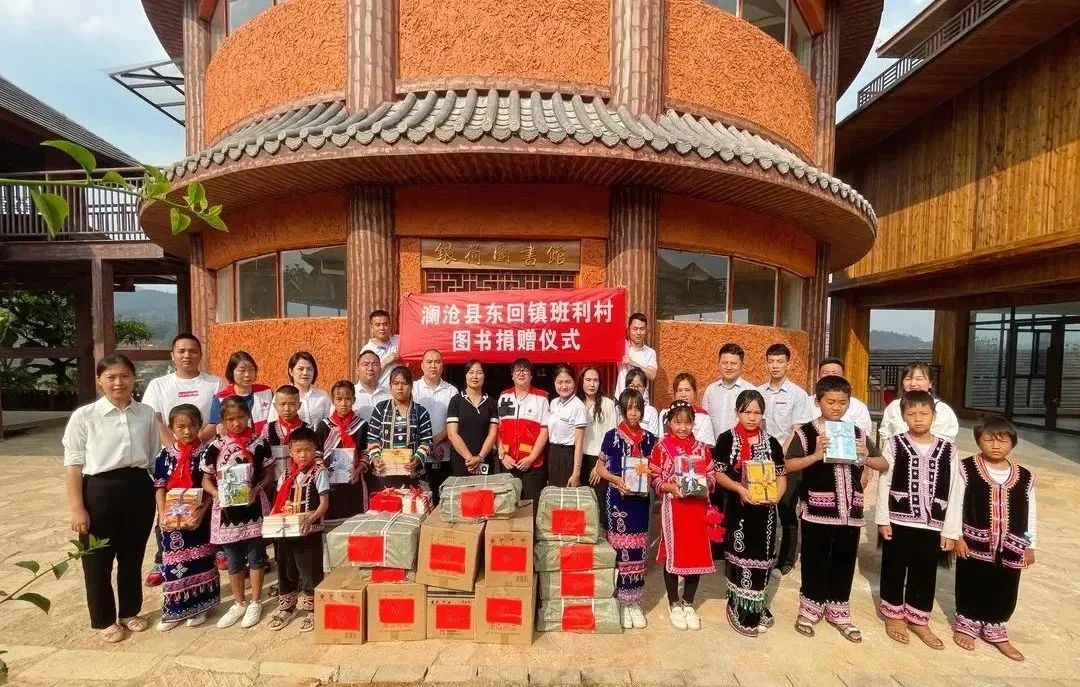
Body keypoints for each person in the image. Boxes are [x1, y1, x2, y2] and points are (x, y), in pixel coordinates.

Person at [785, 375, 887, 643]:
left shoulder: (856, 432)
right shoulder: (807, 432)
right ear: (818, 402)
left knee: (844, 560)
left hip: (850, 512)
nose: (836, 407)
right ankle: (809, 609)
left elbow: (883, 464)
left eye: (842, 402)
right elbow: (789, 464)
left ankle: (839, 611)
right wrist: (815, 456)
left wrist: (865, 456)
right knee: (814, 559)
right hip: (818, 509)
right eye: (830, 402)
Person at [63, 354, 157, 643]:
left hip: (138, 489)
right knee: (97, 561)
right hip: (99, 491)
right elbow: (73, 465)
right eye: (111, 377)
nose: (119, 382)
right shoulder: (84, 416)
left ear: (133, 378)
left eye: (125, 376)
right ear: (99, 381)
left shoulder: (146, 414)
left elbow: (154, 458)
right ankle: (104, 619)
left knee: (132, 556)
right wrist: (77, 508)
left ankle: (129, 612)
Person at [945, 415, 1036, 662]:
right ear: (978, 441)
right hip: (974, 541)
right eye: (989, 440)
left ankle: (996, 625)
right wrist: (956, 536)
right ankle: (967, 623)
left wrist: (1030, 544)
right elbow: (956, 503)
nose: (996, 446)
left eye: (1002, 440)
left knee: (1006, 584)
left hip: (1013, 544)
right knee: (971, 581)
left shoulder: (1025, 477)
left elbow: (1030, 512)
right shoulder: (966, 468)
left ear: (1012, 443)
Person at [876, 390, 960, 649]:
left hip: (933, 523)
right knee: (893, 567)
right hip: (899, 519)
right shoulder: (894, 444)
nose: (918, 418)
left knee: (925, 571)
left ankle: (918, 618)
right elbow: (884, 482)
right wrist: (882, 519)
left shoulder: (948, 449)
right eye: (911, 413)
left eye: (924, 413)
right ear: (903, 416)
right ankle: (893, 615)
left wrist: (951, 530)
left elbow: (955, 489)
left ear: (934, 415)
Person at [139, 333, 223, 587]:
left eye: (193, 350)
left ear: (200, 354)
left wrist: (196, 444)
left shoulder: (214, 383)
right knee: (168, 505)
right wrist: (175, 448)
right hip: (172, 456)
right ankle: (162, 558)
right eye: (182, 351)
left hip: (205, 452)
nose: (187, 355)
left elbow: (215, 419)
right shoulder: (159, 385)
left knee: (206, 503)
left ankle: (214, 551)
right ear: (172, 355)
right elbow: (155, 419)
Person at [713, 390, 787, 637]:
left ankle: (757, 602)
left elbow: (781, 476)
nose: (752, 417)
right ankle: (739, 604)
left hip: (766, 513)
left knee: (763, 558)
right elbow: (718, 473)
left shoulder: (772, 443)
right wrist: (739, 488)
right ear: (737, 412)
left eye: (757, 412)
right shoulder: (727, 439)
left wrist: (777, 495)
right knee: (740, 556)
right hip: (739, 508)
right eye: (747, 412)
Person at [201, 395, 275, 629]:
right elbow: (206, 479)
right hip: (226, 514)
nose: (236, 423)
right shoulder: (215, 446)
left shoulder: (259, 443)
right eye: (230, 419)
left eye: (241, 417)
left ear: (248, 417)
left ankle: (255, 601)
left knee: (256, 557)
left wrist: (257, 488)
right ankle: (238, 603)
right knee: (233, 560)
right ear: (222, 421)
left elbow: (269, 473)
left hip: (253, 509)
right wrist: (215, 492)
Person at [594, 388, 657, 630]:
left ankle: (635, 602)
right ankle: (621, 601)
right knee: (620, 551)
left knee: (638, 550)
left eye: (637, 408)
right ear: (621, 410)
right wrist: (616, 479)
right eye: (629, 408)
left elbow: (656, 469)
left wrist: (651, 475)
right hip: (618, 501)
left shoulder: (650, 439)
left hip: (640, 501)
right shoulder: (611, 436)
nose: (633, 413)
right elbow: (600, 468)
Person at [152, 404, 219, 631]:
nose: (187, 431)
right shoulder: (164, 455)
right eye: (180, 427)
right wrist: (163, 513)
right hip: (171, 517)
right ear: (171, 428)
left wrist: (202, 511)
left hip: (200, 516)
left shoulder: (209, 452)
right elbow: (160, 486)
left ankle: (200, 606)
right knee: (173, 563)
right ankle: (175, 608)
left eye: (192, 426)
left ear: (200, 426)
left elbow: (211, 485)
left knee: (201, 560)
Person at [651, 400, 717, 631]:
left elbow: (711, 474)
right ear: (669, 423)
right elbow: (654, 477)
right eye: (678, 423)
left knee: (695, 554)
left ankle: (688, 602)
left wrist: (706, 485)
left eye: (687, 423)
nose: (682, 428)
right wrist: (669, 487)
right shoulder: (661, 448)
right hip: (674, 507)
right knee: (673, 553)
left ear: (693, 423)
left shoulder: (702, 448)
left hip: (697, 508)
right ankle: (673, 603)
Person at [267, 426, 329, 633]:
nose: (303, 455)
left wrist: (310, 518)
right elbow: (278, 503)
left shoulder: (319, 472)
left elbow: (324, 504)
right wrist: (272, 521)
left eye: (308, 450)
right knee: (286, 569)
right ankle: (287, 607)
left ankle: (312, 609)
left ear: (315, 449)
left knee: (310, 570)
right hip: (286, 532)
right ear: (290, 451)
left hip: (309, 531)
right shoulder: (286, 474)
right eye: (298, 451)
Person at [762, 343, 814, 576]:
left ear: (788, 364)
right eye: (771, 361)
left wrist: (780, 453)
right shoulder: (760, 391)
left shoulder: (798, 394)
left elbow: (797, 429)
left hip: (788, 461)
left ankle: (786, 560)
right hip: (762, 461)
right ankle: (765, 554)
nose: (775, 366)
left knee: (786, 508)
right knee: (764, 507)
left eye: (780, 361)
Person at [368, 366, 433, 491]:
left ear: (411, 386)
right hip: (385, 474)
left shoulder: (420, 411)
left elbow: (427, 441)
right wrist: (375, 458)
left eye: (404, 383)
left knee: (411, 502)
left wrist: (417, 458)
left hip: (412, 475)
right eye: (396, 383)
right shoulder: (380, 409)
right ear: (390, 386)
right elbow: (372, 438)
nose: (400, 387)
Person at [497, 358, 550, 502]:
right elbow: (498, 429)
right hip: (508, 462)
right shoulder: (504, 397)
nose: (521, 373)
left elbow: (544, 431)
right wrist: (502, 455)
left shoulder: (541, 398)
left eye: (525, 370)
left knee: (531, 506)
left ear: (531, 375)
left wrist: (531, 458)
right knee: (508, 505)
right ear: (512, 375)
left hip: (533, 464)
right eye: (517, 370)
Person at [315, 380, 369, 523]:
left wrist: (359, 469)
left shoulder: (361, 425)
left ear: (354, 400)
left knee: (355, 522)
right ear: (332, 400)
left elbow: (366, 452)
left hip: (355, 482)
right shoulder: (324, 426)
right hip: (330, 484)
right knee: (331, 522)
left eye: (348, 399)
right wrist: (323, 471)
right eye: (339, 399)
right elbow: (317, 454)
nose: (343, 403)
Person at [412, 349, 457, 503]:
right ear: (422, 365)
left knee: (443, 500)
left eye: (437, 362)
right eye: (429, 362)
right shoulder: (413, 389)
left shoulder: (451, 391)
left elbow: (453, 423)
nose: (433, 366)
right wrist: (429, 447)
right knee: (420, 502)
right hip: (418, 457)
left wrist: (433, 442)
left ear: (442, 366)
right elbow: (411, 422)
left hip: (444, 455)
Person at [878, 362, 960, 444]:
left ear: (930, 383)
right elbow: (885, 433)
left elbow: (946, 439)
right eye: (908, 379)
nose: (913, 384)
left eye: (919, 379)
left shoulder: (941, 409)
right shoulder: (894, 406)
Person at [446, 360, 500, 477]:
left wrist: (480, 457)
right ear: (465, 375)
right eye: (471, 372)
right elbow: (452, 434)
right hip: (462, 461)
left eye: (479, 373)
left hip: (485, 460)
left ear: (484, 376)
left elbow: (492, 433)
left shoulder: (491, 402)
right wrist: (469, 458)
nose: (475, 376)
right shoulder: (456, 401)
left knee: (485, 489)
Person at [209, 351, 274, 436]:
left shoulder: (266, 392)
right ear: (231, 372)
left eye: (251, 369)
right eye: (242, 370)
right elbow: (216, 426)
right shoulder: (221, 398)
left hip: (263, 442)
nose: (247, 374)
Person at [544, 364, 588, 488]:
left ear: (574, 383)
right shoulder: (553, 403)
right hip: (553, 453)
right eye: (560, 382)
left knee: (568, 495)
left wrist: (576, 473)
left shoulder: (578, 406)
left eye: (568, 382)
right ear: (554, 383)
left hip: (569, 456)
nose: (564, 386)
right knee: (554, 492)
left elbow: (579, 443)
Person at [579, 365, 617, 499]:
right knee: (582, 502)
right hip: (580, 459)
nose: (592, 384)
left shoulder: (607, 404)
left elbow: (612, 435)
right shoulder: (577, 404)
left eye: (595, 380)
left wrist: (599, 465)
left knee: (599, 501)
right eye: (588, 380)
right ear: (582, 381)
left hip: (601, 459)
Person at [704, 343, 755, 439]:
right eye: (725, 363)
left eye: (733, 363)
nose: (728, 367)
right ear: (719, 363)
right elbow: (704, 422)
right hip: (714, 446)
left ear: (741, 365)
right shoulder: (710, 390)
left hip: (741, 445)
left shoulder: (751, 391)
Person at [269, 352, 332, 427]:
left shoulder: (322, 396)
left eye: (309, 369)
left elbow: (330, 423)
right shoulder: (281, 395)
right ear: (291, 371)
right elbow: (272, 424)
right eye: (300, 369)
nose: (305, 373)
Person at [812, 358, 872, 436]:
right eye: (826, 373)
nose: (830, 376)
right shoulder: (807, 402)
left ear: (843, 376)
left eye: (834, 373)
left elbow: (864, 432)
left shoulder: (858, 406)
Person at [265, 385, 310, 486]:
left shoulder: (307, 429)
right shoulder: (267, 429)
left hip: (300, 482)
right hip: (274, 483)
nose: (287, 409)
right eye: (282, 404)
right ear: (275, 406)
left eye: (292, 404)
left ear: (299, 405)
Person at [658, 373, 715, 446]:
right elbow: (660, 440)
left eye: (687, 390)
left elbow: (706, 445)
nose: (683, 394)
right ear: (675, 393)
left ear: (695, 392)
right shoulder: (665, 412)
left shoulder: (703, 416)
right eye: (679, 390)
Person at [614, 312, 658, 400]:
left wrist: (633, 363)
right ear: (629, 330)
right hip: (622, 399)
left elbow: (652, 375)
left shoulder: (650, 352)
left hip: (642, 400)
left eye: (642, 329)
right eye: (635, 329)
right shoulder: (621, 347)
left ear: (646, 331)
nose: (638, 332)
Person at [361, 309, 400, 388]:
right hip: (379, 392)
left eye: (385, 324)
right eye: (378, 325)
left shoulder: (399, 341)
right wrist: (385, 362)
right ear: (371, 327)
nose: (382, 328)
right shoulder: (367, 351)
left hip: (400, 391)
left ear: (390, 325)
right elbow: (367, 379)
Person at [621, 367, 661, 437]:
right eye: (632, 385)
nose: (635, 389)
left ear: (645, 388)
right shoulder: (620, 408)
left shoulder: (651, 411)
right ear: (626, 387)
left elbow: (653, 438)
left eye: (639, 386)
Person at [353, 349, 390, 422]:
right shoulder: (350, 395)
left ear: (380, 370)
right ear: (357, 370)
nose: (370, 368)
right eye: (365, 364)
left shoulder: (390, 395)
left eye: (375, 364)